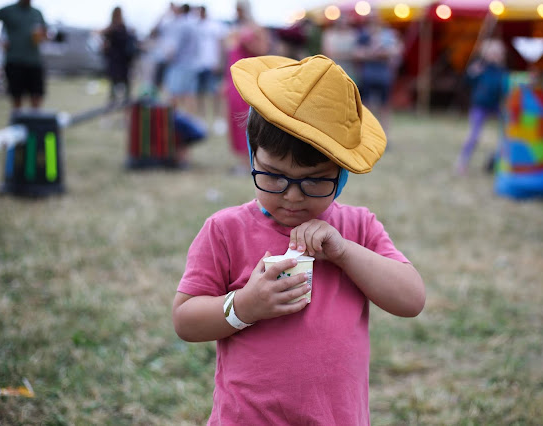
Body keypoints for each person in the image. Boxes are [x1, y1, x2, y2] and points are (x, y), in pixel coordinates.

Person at [172, 55, 426, 424]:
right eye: (273, 176)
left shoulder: (358, 227)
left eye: (314, 181)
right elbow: (185, 320)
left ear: (341, 176)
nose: (292, 196)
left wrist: (344, 252)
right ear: (251, 155)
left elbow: (412, 299)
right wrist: (244, 306)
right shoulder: (225, 230)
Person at [223, 0, 270, 175]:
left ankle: (252, 162)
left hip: (247, 78)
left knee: (247, 120)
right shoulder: (234, 27)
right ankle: (242, 162)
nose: (237, 12)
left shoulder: (255, 28)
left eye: (239, 9)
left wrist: (245, 40)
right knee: (235, 120)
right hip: (232, 79)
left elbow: (263, 49)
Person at [454, 38, 508, 175]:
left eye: (497, 53)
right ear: (485, 54)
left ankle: (502, 161)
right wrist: (471, 74)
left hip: (496, 105)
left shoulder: (502, 71)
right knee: (474, 135)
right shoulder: (479, 67)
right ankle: (462, 162)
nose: (494, 56)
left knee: (507, 133)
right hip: (480, 104)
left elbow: (505, 88)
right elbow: (466, 82)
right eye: (491, 53)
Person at [0, 0, 47, 111]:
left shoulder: (37, 13)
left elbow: (45, 33)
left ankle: (35, 124)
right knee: (16, 97)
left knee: (37, 96)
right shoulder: (7, 10)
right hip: (14, 61)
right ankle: (18, 122)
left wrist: (42, 36)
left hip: (34, 61)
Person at [354, 12, 402, 139]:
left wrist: (371, 53)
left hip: (383, 77)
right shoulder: (363, 35)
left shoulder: (389, 34)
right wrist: (378, 53)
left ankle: (385, 136)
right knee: (365, 107)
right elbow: (358, 53)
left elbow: (395, 51)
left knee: (384, 107)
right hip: (368, 76)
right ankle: (364, 136)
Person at [193, 6, 228, 133]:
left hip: (212, 64)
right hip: (198, 65)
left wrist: (220, 62)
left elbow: (221, 44)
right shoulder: (195, 26)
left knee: (215, 93)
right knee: (199, 93)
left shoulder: (214, 26)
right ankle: (201, 119)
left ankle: (218, 120)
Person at [101, 6, 136, 104]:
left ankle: (122, 102)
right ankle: (117, 102)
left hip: (121, 60)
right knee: (117, 82)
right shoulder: (115, 28)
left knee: (121, 82)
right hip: (118, 60)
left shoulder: (116, 28)